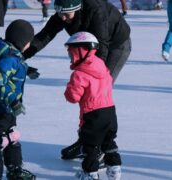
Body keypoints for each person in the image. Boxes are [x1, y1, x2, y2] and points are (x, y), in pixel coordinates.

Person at [21, 0, 130, 160]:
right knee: (87, 100)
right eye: (60, 14)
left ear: (77, 9)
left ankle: (99, 148)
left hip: (115, 45)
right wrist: (21, 54)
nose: (63, 18)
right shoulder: (63, 13)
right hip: (92, 49)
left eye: (66, 14)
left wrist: (89, 71)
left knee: (98, 96)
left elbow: (102, 44)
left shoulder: (95, 10)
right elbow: (45, 35)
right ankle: (87, 141)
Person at [0, 19, 36, 180]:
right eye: (28, 42)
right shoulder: (9, 58)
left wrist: (26, 69)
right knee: (1, 140)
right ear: (22, 42)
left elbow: (10, 69)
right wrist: (13, 100)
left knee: (12, 136)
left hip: (6, 108)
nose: (29, 45)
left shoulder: (10, 55)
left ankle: (14, 170)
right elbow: (0, 79)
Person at [64, 32, 122, 180]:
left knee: (91, 146)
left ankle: (89, 174)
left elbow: (72, 97)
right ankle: (115, 169)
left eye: (72, 53)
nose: (71, 57)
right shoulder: (102, 66)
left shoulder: (79, 74)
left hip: (93, 114)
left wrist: (70, 88)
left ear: (81, 51)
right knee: (108, 142)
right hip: (110, 113)